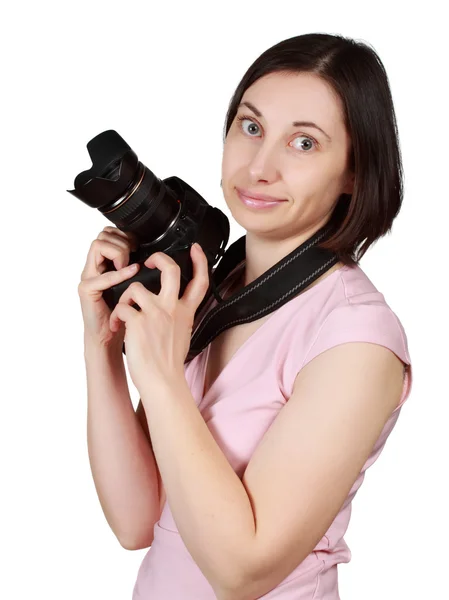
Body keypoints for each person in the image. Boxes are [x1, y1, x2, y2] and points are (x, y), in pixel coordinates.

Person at [80, 32, 413, 599]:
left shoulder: (356, 339)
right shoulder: (212, 292)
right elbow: (136, 521)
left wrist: (160, 378)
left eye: (304, 144)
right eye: (252, 127)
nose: (260, 167)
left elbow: (243, 573)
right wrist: (103, 347)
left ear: (355, 173)